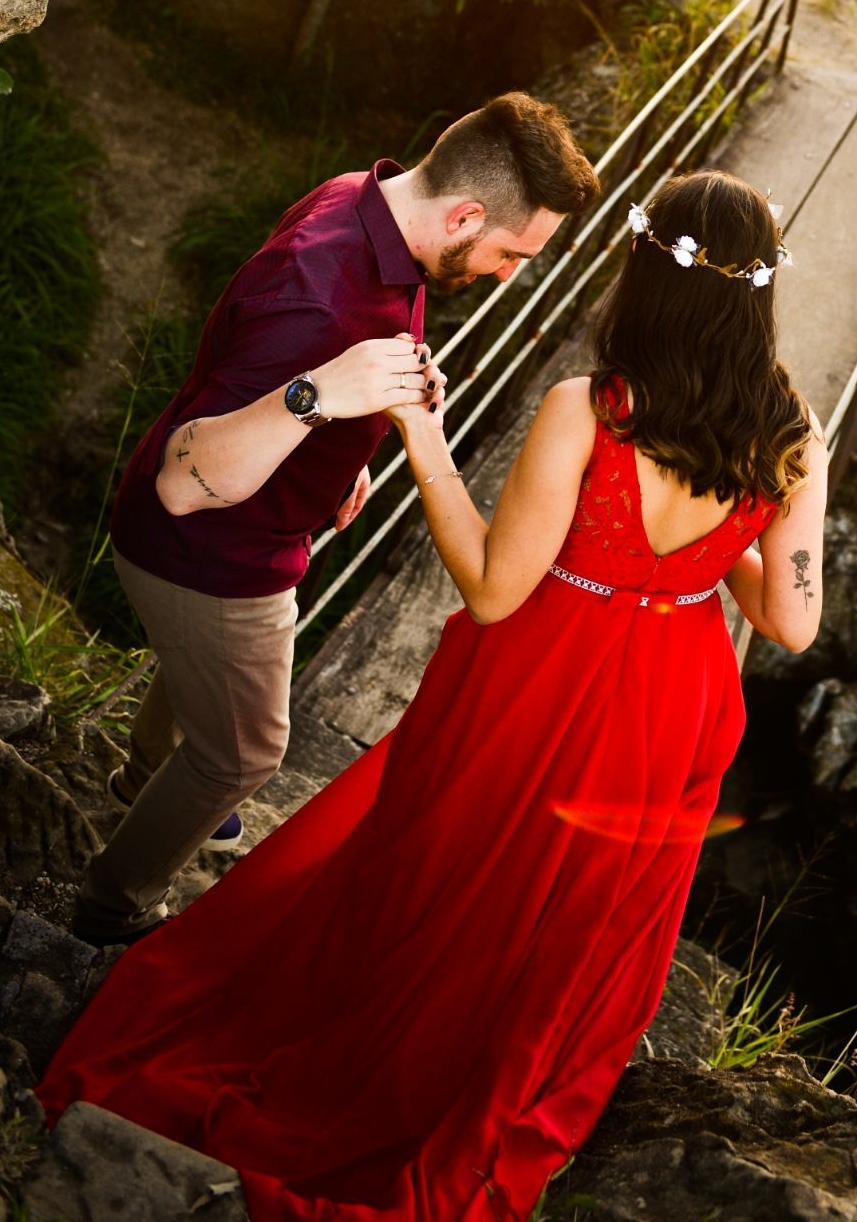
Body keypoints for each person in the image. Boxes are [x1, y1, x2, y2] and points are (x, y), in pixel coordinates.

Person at [40, 170, 828, 1222]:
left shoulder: (592, 407)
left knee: (442, 872)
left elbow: (495, 586)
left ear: (644, 272)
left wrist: (422, 438)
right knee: (560, 921)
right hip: (671, 705)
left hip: (538, 678)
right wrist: (712, 548)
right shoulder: (790, 432)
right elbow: (792, 620)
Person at [69, 93, 600, 951]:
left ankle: (145, 786)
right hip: (213, 555)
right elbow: (185, 483)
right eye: (511, 252)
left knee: (200, 699)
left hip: (247, 529)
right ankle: (112, 903)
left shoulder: (369, 200)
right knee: (245, 757)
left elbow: (292, 367)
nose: (509, 274)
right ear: (465, 213)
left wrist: (345, 450)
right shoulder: (318, 301)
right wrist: (321, 398)